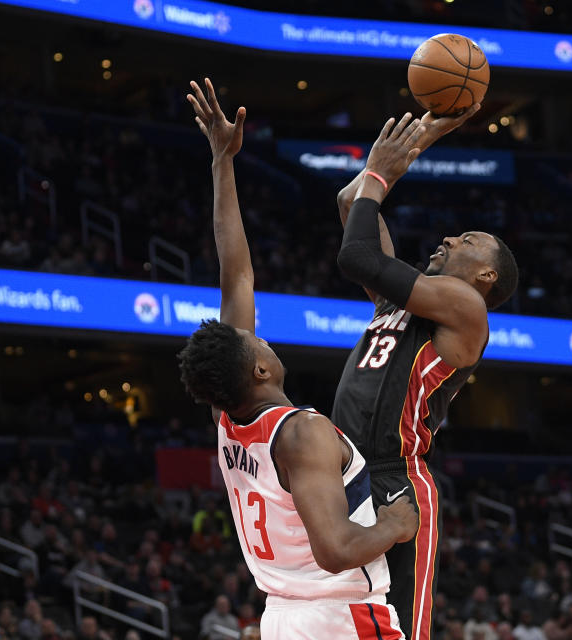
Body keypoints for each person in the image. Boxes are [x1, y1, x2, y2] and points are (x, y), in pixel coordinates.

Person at [179, 77, 419, 639]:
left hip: (282, 614)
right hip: (339, 616)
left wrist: (223, 162)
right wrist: (395, 524)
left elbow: (236, 272)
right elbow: (337, 550)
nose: (262, 337)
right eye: (258, 343)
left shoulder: (230, 419)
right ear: (259, 369)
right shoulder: (302, 432)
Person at [332, 109, 519, 640]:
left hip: (396, 479)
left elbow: (357, 254)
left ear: (486, 274)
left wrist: (382, 176)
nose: (449, 239)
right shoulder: (404, 300)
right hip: (343, 470)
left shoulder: (466, 307)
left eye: (467, 239)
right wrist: (400, 155)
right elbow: (351, 205)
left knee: (399, 628)